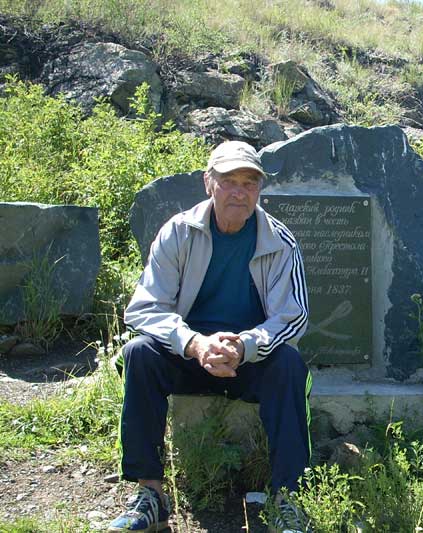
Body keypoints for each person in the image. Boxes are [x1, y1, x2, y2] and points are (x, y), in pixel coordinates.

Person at [108, 141, 312, 533]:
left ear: (259, 189)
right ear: (208, 183)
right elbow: (144, 309)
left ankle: (288, 497)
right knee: (139, 353)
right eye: (228, 180)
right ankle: (149, 494)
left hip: (249, 361)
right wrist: (194, 343)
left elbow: (293, 317)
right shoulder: (178, 232)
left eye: (249, 183)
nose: (239, 191)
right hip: (188, 354)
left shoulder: (280, 242)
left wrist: (244, 345)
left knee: (289, 365)